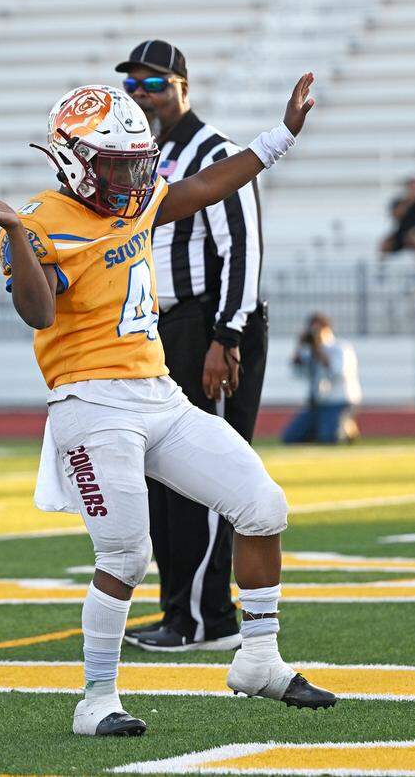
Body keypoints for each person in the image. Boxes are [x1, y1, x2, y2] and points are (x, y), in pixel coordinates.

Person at [0, 75, 335, 737]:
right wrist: (16, 233)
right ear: (76, 161)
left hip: (159, 394)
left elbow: (202, 187)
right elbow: (37, 310)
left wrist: (281, 138)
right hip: (90, 403)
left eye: (141, 162)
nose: (136, 176)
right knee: (126, 556)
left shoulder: (132, 200)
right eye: (120, 164)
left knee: (263, 506)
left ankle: (259, 660)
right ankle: (96, 700)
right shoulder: (40, 221)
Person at [112, 40, 266, 654]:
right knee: (163, 474)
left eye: (151, 84)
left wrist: (226, 335)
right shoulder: (147, 156)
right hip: (162, 324)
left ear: (182, 84)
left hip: (209, 323)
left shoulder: (214, 151)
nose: (139, 95)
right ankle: (180, 611)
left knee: (206, 468)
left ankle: (208, 618)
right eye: (131, 86)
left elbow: (242, 247)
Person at [281, 313, 361, 444]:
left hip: (339, 402)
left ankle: (347, 429)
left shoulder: (341, 348)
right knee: (290, 438)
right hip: (318, 404)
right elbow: (296, 372)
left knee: (328, 439)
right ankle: (321, 428)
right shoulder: (310, 351)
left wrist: (319, 351)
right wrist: (299, 345)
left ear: (327, 329)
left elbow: (338, 373)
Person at [380, 176, 415, 254]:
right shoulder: (399, 201)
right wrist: (408, 202)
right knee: (385, 244)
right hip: (401, 232)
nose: (413, 189)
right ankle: (382, 266)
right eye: (411, 187)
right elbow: (395, 215)